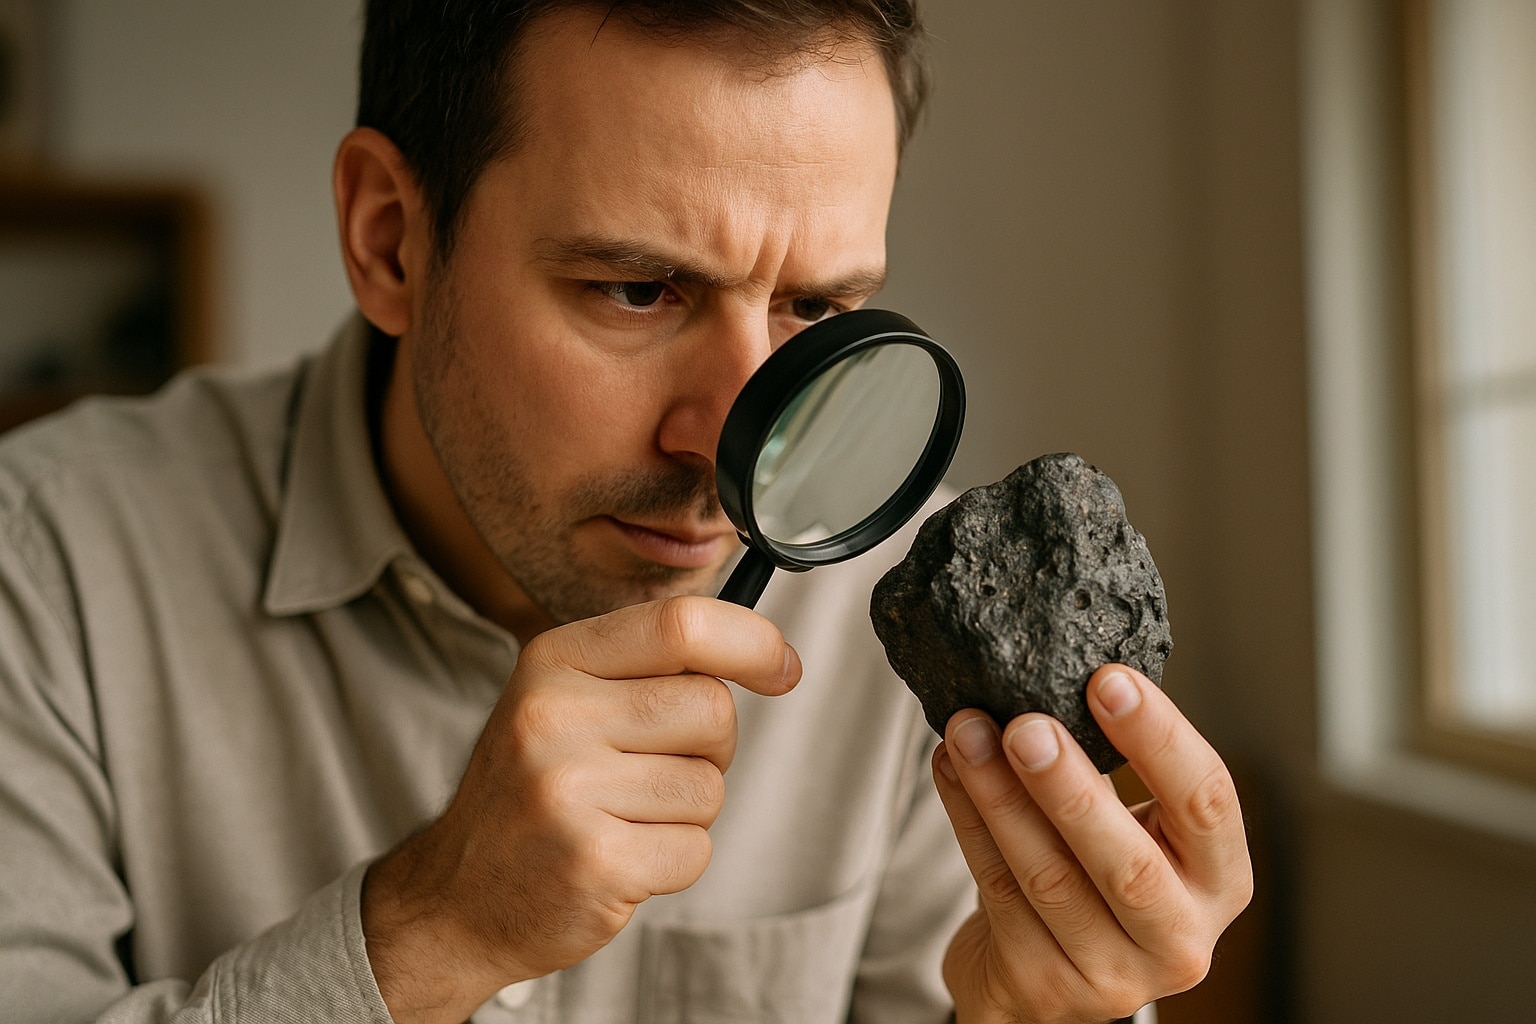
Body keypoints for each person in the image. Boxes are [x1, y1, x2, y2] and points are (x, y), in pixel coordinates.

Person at [0, 2, 1252, 1022]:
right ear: (389, 239)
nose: (731, 438)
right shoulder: (43, 565)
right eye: (639, 291)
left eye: (815, 311)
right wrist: (430, 931)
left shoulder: (909, 616)